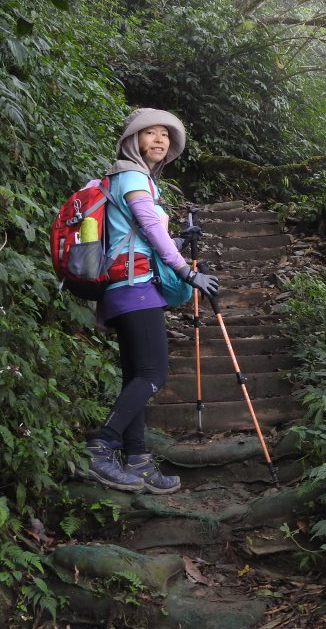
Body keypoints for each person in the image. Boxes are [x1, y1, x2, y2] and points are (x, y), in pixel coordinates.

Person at [84, 108, 220, 494]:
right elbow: (146, 225)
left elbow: (138, 237)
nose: (160, 139)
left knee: (136, 376)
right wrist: (187, 272)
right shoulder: (131, 175)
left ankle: (139, 460)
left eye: (166, 135)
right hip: (133, 287)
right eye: (151, 133)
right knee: (152, 375)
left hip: (126, 286)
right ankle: (101, 446)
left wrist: (177, 241)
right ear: (133, 140)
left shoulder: (132, 180)